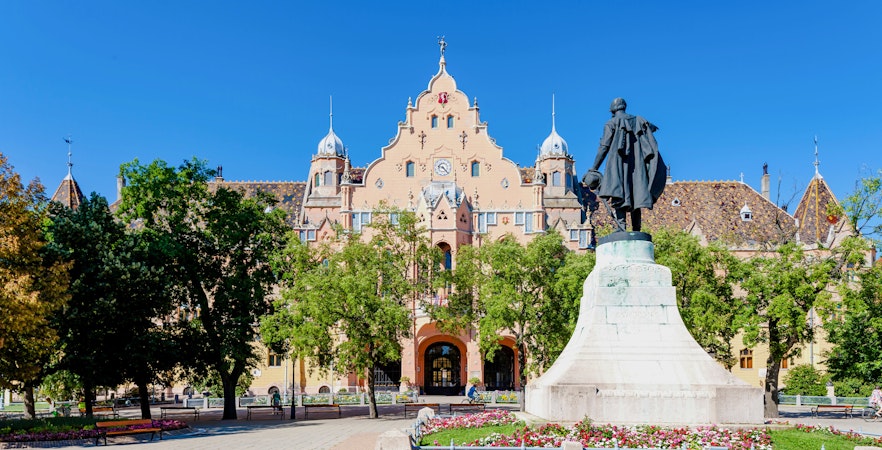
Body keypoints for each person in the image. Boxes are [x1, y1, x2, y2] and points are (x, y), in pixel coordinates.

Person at [584, 97, 666, 232]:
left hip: (617, 163)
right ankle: (636, 229)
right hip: (637, 165)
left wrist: (594, 167)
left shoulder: (611, 123)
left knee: (618, 191)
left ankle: (621, 227)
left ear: (612, 109)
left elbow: (604, 146)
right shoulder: (638, 121)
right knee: (636, 193)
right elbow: (649, 130)